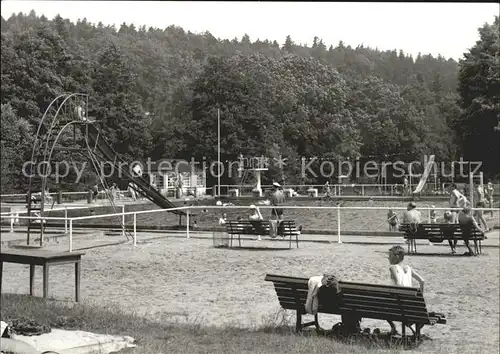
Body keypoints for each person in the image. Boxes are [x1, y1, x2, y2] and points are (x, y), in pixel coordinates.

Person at [387, 245, 425, 335]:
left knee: (382, 305)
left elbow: (398, 284)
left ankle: (393, 327)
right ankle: (411, 326)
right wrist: (420, 296)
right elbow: (422, 281)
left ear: (397, 257)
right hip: (410, 305)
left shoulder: (393, 268)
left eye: (390, 256)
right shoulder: (408, 268)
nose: (388, 258)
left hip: (398, 306)